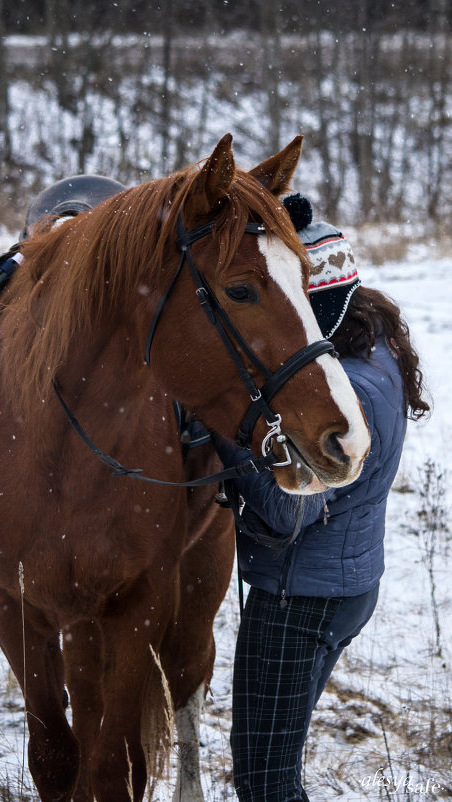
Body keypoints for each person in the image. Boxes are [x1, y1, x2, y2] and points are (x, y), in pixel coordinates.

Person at [213, 195, 430, 802]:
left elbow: (286, 512)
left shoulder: (342, 398)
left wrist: (225, 433)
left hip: (299, 599)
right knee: (271, 772)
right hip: (344, 584)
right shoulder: (371, 342)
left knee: (265, 783)